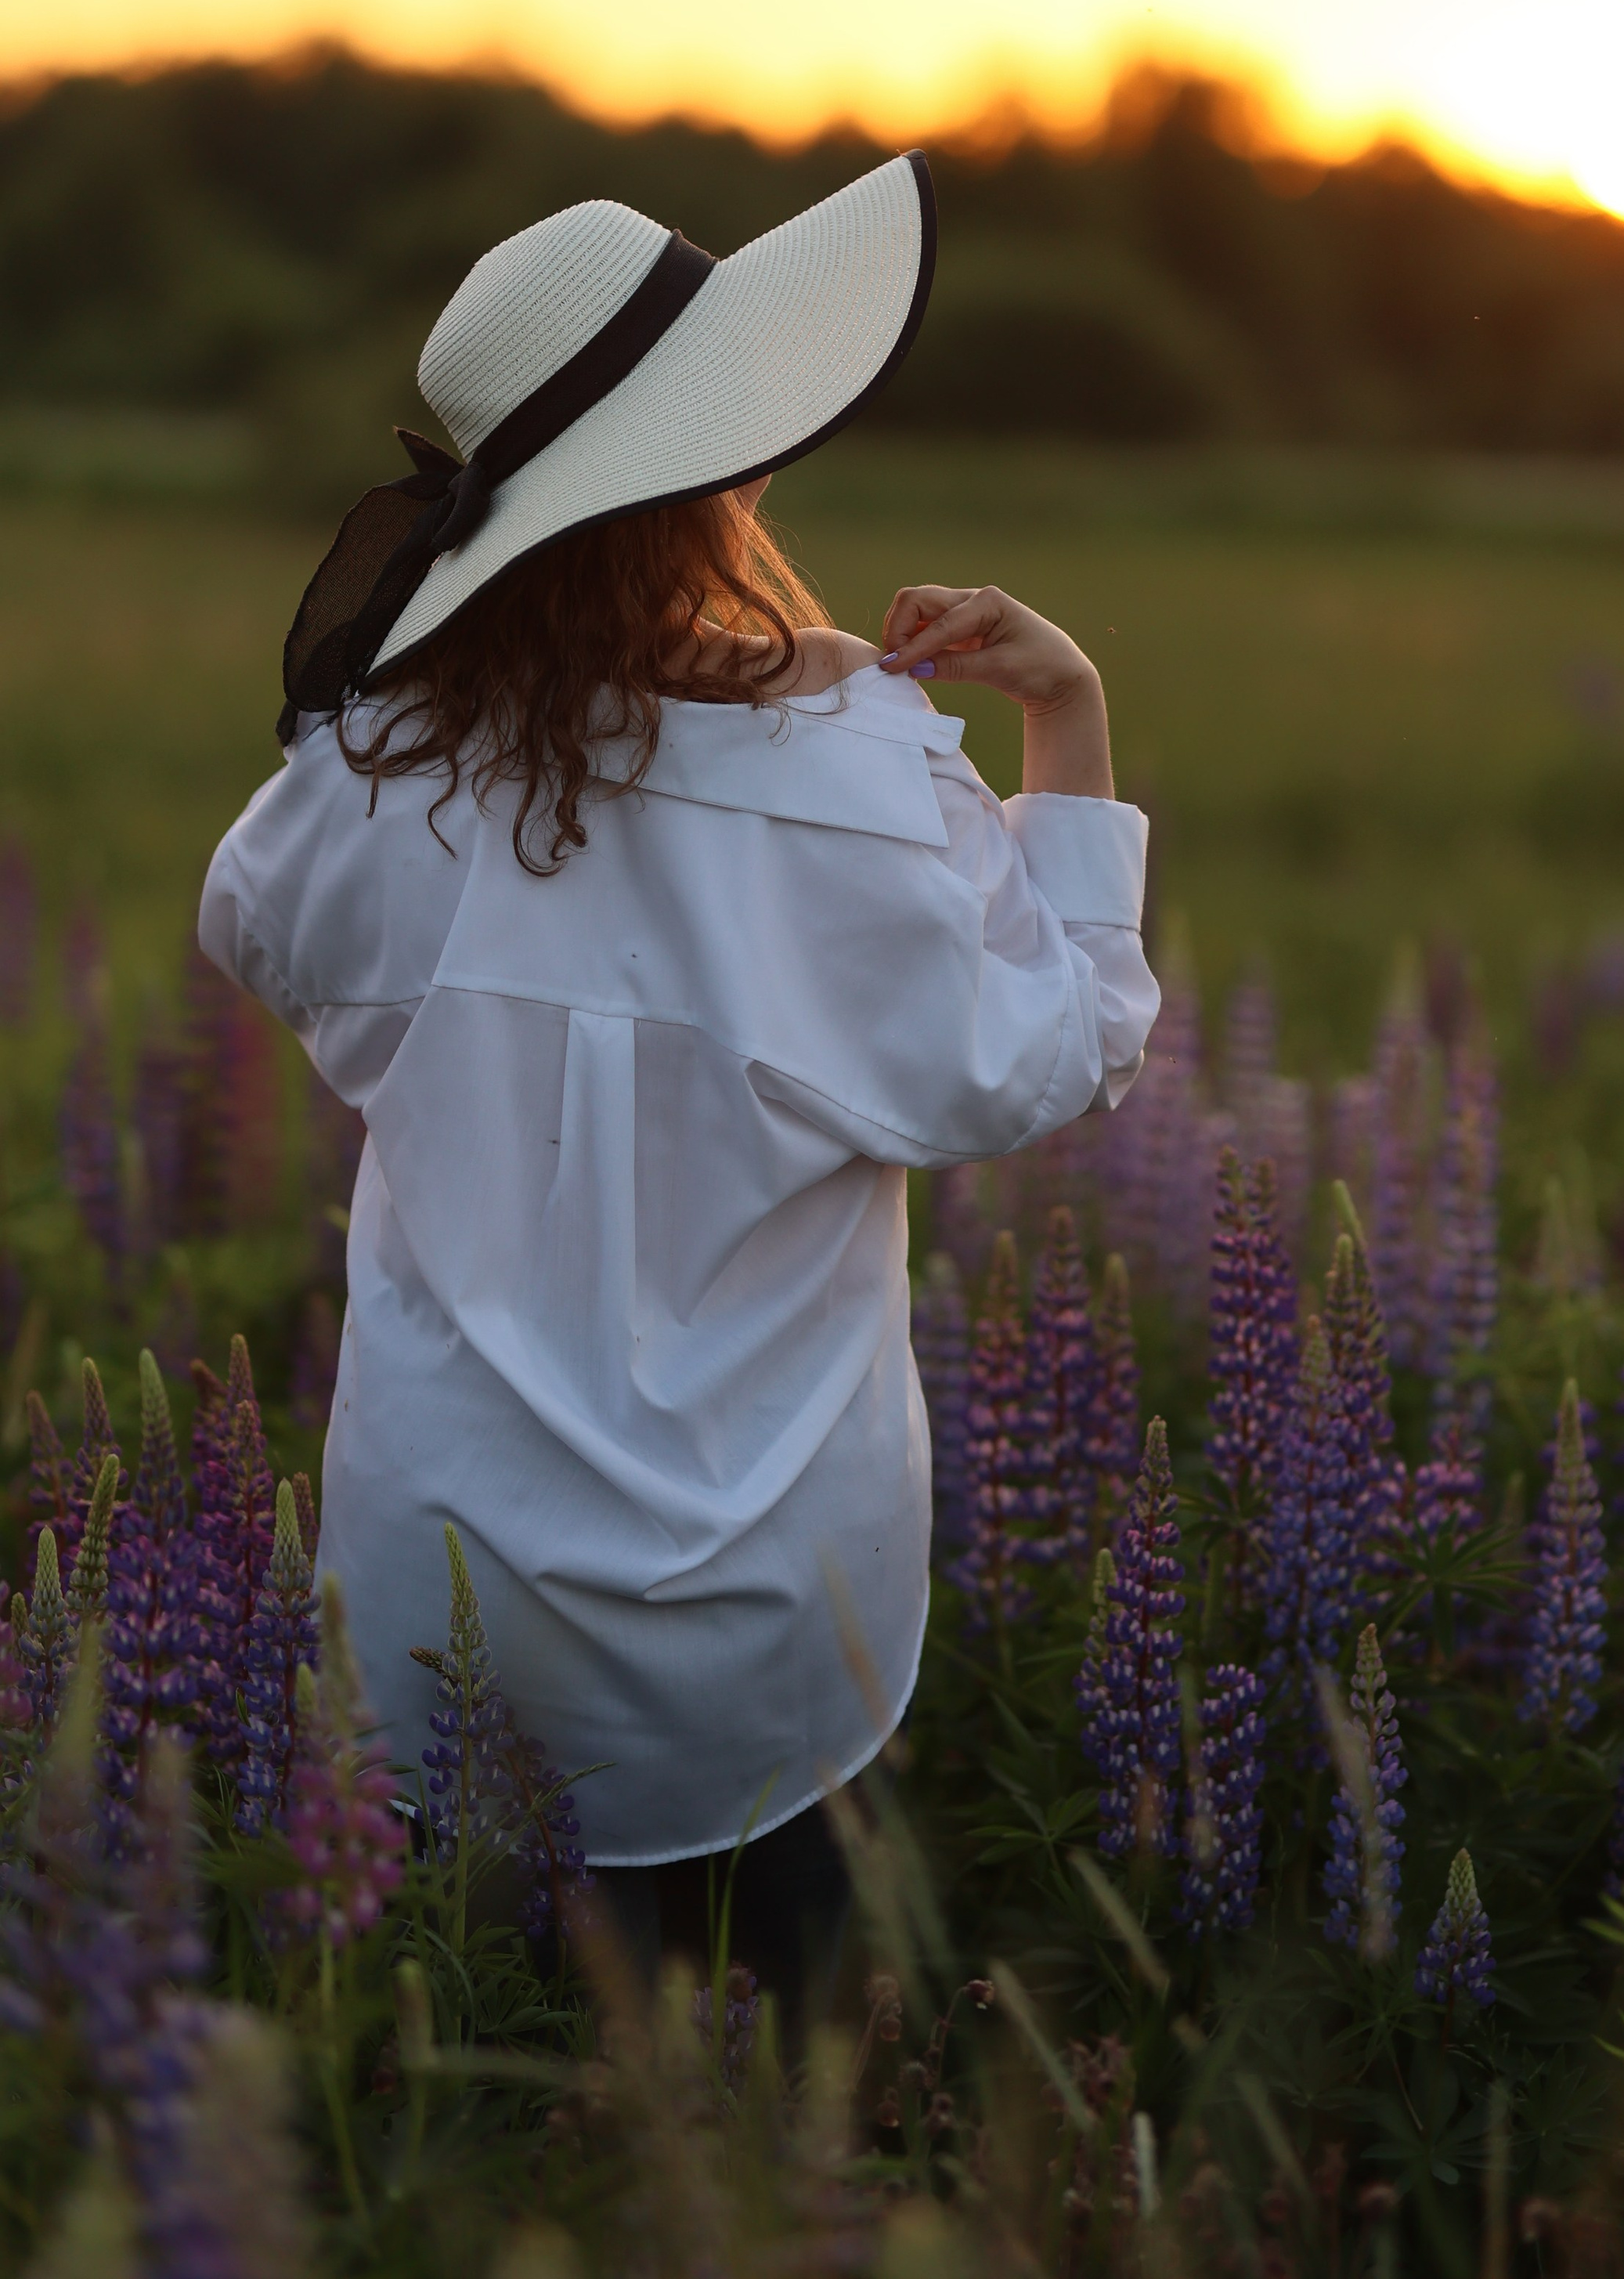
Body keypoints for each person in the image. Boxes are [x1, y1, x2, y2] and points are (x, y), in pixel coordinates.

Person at [198, 150, 1160, 2010]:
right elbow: (1064, 1049)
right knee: (758, 2123)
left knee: (457, 2107)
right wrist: (1068, 711)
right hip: (766, 1627)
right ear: (706, 476)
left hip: (433, 1600)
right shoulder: (863, 783)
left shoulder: (375, 770)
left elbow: (254, 923)